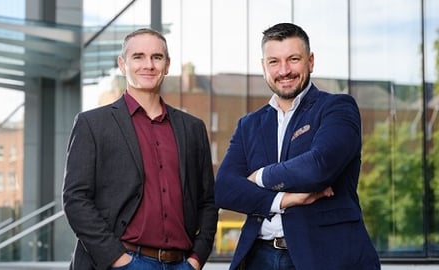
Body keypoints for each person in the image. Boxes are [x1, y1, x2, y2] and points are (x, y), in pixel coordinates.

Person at [214, 22, 380, 270]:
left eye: (293, 59)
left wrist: (259, 176)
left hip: (324, 255)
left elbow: (317, 167)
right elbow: (225, 189)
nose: (284, 70)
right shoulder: (249, 124)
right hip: (258, 256)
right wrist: (285, 200)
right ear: (264, 67)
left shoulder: (337, 108)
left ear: (310, 61)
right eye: (274, 62)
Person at [62, 28, 218, 270]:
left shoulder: (193, 128)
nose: (149, 65)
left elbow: (207, 201)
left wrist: (196, 260)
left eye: (157, 57)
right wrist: (120, 261)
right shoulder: (92, 124)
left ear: (167, 65)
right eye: (138, 57)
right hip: (122, 261)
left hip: (181, 264)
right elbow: (75, 199)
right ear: (122, 64)